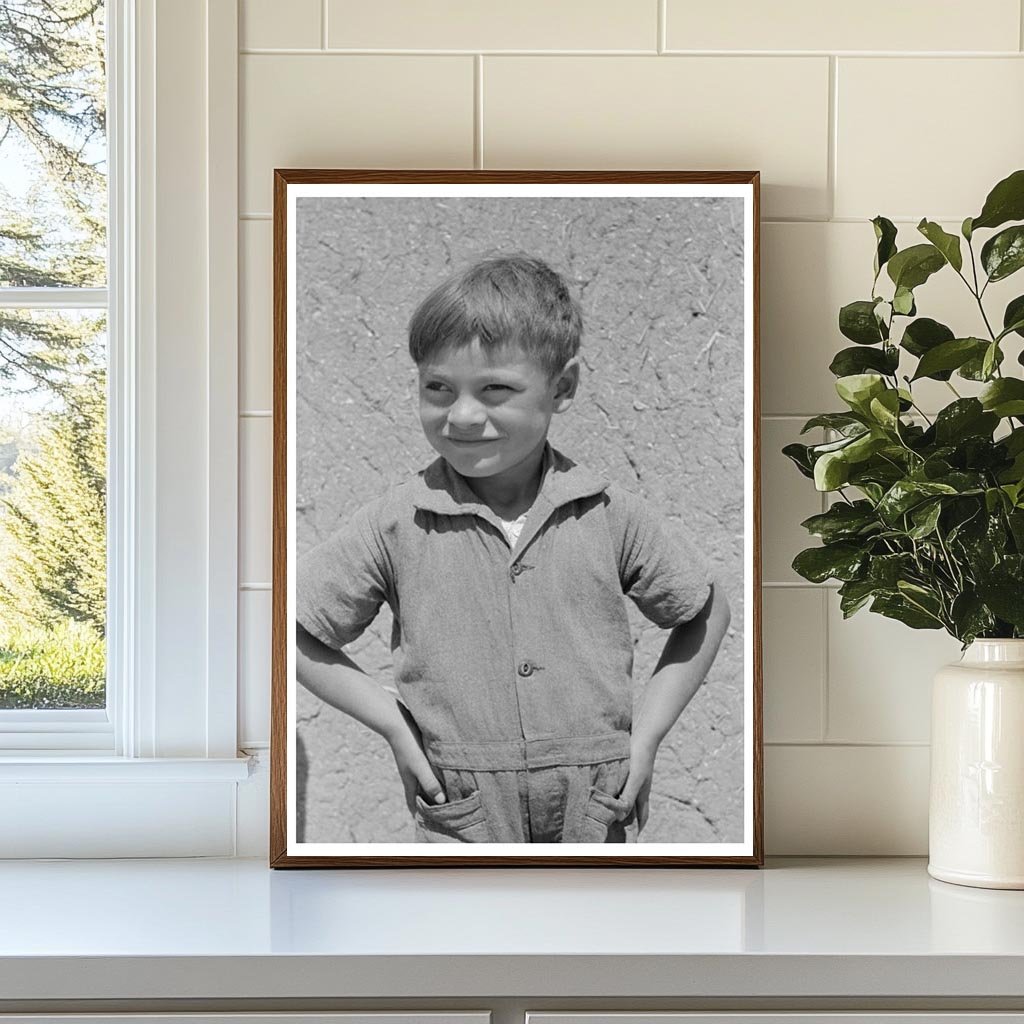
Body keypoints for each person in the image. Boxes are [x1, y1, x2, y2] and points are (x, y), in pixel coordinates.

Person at [295, 253, 731, 844]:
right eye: (438, 388)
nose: (464, 416)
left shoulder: (607, 512)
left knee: (591, 937)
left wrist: (646, 735)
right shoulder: (396, 522)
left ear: (564, 388)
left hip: (597, 800)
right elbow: (288, 631)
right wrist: (395, 725)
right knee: (475, 936)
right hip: (462, 799)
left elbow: (704, 609)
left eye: (496, 389)